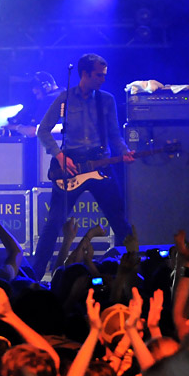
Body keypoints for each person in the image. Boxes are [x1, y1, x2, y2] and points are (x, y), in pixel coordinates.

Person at [31, 54, 134, 280]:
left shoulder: (106, 100)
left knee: (119, 220)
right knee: (54, 223)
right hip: (72, 166)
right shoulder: (64, 98)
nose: (103, 80)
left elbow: (115, 135)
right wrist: (59, 155)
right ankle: (34, 277)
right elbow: (43, 130)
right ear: (85, 74)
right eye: (99, 75)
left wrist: (125, 152)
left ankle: (128, 273)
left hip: (101, 163)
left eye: (104, 75)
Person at [5, 71, 64, 137]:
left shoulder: (49, 99)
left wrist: (16, 127)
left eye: (38, 93)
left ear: (46, 86)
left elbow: (32, 131)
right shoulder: (66, 94)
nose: (38, 98)